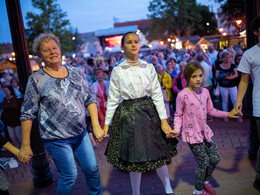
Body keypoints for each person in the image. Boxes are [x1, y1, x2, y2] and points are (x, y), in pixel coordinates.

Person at [17, 33, 104, 195]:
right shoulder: (36, 79)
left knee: (92, 169)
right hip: (56, 139)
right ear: (39, 55)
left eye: (54, 48)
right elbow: (27, 113)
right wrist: (26, 145)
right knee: (69, 175)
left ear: (59, 49)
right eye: (46, 50)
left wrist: (96, 126)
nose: (52, 52)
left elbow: (89, 99)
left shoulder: (75, 72)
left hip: (81, 133)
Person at [103, 32, 179, 195]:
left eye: (136, 41)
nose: (133, 44)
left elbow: (158, 95)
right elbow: (113, 99)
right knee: (134, 157)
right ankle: (135, 193)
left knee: (158, 152)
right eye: (129, 42)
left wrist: (164, 120)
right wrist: (106, 125)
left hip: (148, 112)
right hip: (128, 115)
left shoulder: (148, 67)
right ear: (122, 47)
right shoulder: (118, 70)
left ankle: (168, 189)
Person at [174, 62, 239, 195]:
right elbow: (178, 115)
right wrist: (176, 129)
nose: (198, 79)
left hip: (205, 131)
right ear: (187, 78)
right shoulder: (182, 95)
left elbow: (211, 110)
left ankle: (205, 182)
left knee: (215, 158)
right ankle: (198, 191)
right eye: (194, 76)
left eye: (200, 76)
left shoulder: (205, 92)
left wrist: (228, 114)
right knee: (203, 162)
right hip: (192, 134)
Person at [233, 15, 260, 192]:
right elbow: (243, 80)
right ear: (257, 31)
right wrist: (238, 102)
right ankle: (259, 176)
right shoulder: (250, 54)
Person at [215, 52, 239, 121]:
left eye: (229, 57)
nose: (227, 59)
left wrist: (229, 78)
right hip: (223, 86)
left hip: (233, 86)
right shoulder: (219, 66)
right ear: (222, 58)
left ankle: (237, 115)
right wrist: (224, 76)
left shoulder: (232, 65)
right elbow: (216, 75)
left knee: (235, 100)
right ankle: (225, 115)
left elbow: (236, 74)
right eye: (226, 57)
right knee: (225, 100)